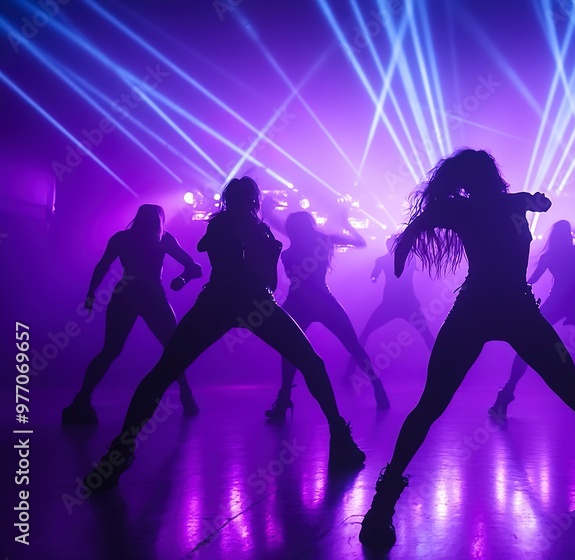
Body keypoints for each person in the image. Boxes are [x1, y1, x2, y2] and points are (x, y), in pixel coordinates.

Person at [357, 149, 575, 549]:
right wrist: (534, 202)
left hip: (483, 308)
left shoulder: (467, 208)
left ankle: (381, 506)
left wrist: (405, 250)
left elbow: (423, 223)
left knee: (431, 405)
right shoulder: (498, 204)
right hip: (512, 308)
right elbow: (529, 203)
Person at [82, 177, 364, 491]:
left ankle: (121, 449)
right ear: (254, 201)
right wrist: (266, 250)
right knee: (311, 362)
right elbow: (266, 282)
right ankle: (339, 437)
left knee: (163, 372)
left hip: (221, 302)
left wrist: (262, 249)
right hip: (251, 302)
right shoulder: (254, 231)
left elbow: (227, 263)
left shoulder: (230, 227)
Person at [62, 204, 202, 425]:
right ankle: (186, 396)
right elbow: (194, 267)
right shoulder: (163, 239)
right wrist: (183, 280)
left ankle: (82, 399)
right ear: (159, 221)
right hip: (152, 298)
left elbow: (102, 267)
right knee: (172, 349)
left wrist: (91, 294)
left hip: (127, 296)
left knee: (111, 350)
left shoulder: (123, 239)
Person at [489, 220, 575, 420]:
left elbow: (531, 280)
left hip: (558, 301)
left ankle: (506, 393)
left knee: (527, 346)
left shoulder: (551, 255)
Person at [263, 211, 389, 423]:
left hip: (299, 303)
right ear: (310, 225)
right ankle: (378, 386)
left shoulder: (289, 249)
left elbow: (358, 242)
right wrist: (346, 222)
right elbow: (359, 242)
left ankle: (284, 399)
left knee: (291, 351)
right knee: (352, 345)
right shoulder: (321, 240)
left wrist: (267, 213)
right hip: (322, 301)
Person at [342, 235, 436, 380]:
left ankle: (350, 369)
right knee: (426, 336)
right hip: (401, 304)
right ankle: (350, 369)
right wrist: (374, 277)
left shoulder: (394, 259)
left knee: (366, 333)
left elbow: (374, 275)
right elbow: (375, 275)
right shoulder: (406, 259)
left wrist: (374, 278)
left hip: (396, 304)